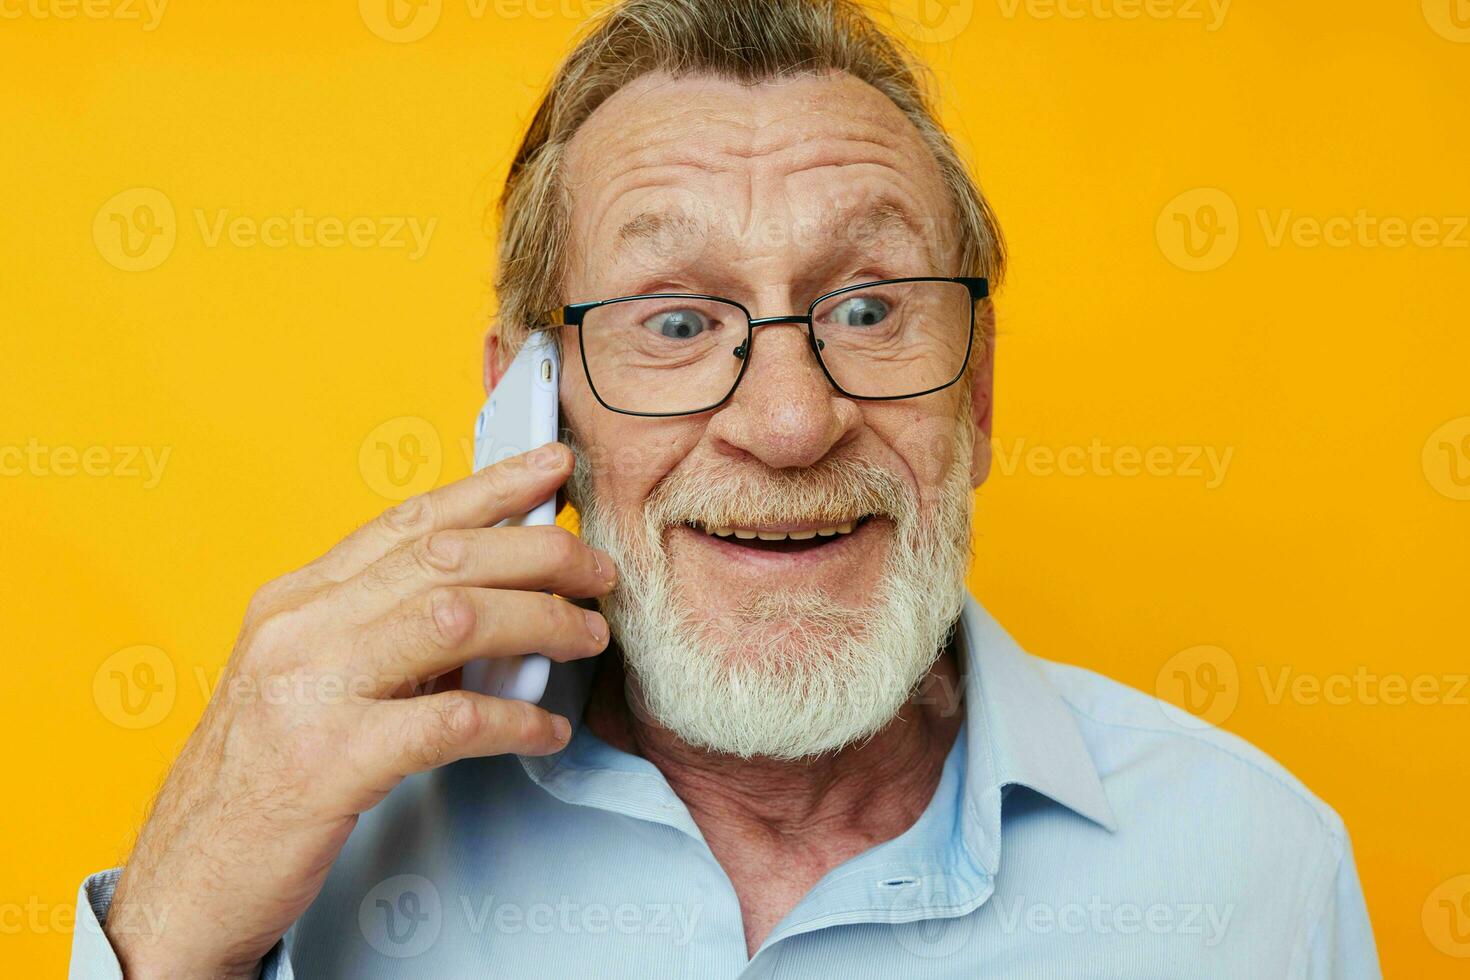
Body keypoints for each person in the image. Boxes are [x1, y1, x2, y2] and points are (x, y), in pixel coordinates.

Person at [71, 1, 1379, 976]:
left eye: (867, 307)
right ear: (532, 408)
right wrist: (171, 932)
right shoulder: (315, 860)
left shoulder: (1251, 867)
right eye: (676, 323)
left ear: (974, 397)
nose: (791, 420)